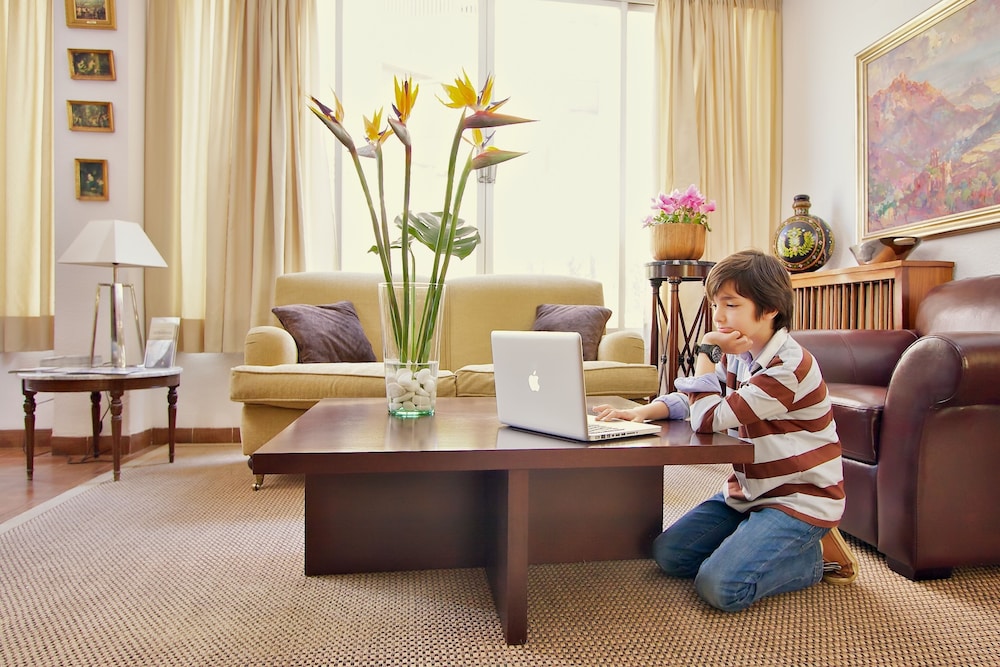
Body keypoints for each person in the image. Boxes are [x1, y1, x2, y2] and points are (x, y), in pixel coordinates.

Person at [594, 248, 858, 612]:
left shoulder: (788, 368)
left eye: (731, 305)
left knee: (720, 587)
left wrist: (706, 347)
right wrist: (644, 412)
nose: (718, 316)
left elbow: (707, 416)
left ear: (769, 309)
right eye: (715, 304)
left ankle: (816, 557)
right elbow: (698, 399)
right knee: (669, 555)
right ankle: (754, 540)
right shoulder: (740, 352)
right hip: (747, 492)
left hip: (797, 499)